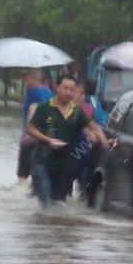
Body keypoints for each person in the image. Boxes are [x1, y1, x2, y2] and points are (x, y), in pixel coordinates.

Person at [27, 75, 111, 208]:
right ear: (57, 87)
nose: (68, 92)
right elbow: (30, 130)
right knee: (44, 196)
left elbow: (94, 127)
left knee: (59, 202)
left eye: (72, 89)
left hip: (63, 164)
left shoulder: (77, 111)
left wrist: (105, 143)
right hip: (42, 160)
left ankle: (56, 227)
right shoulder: (45, 107)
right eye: (65, 88)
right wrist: (49, 140)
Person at [17, 69, 53, 184]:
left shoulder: (33, 92)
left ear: (34, 77)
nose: (22, 79)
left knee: (22, 175)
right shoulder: (48, 92)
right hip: (45, 138)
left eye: (24, 76)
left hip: (30, 138)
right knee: (39, 172)